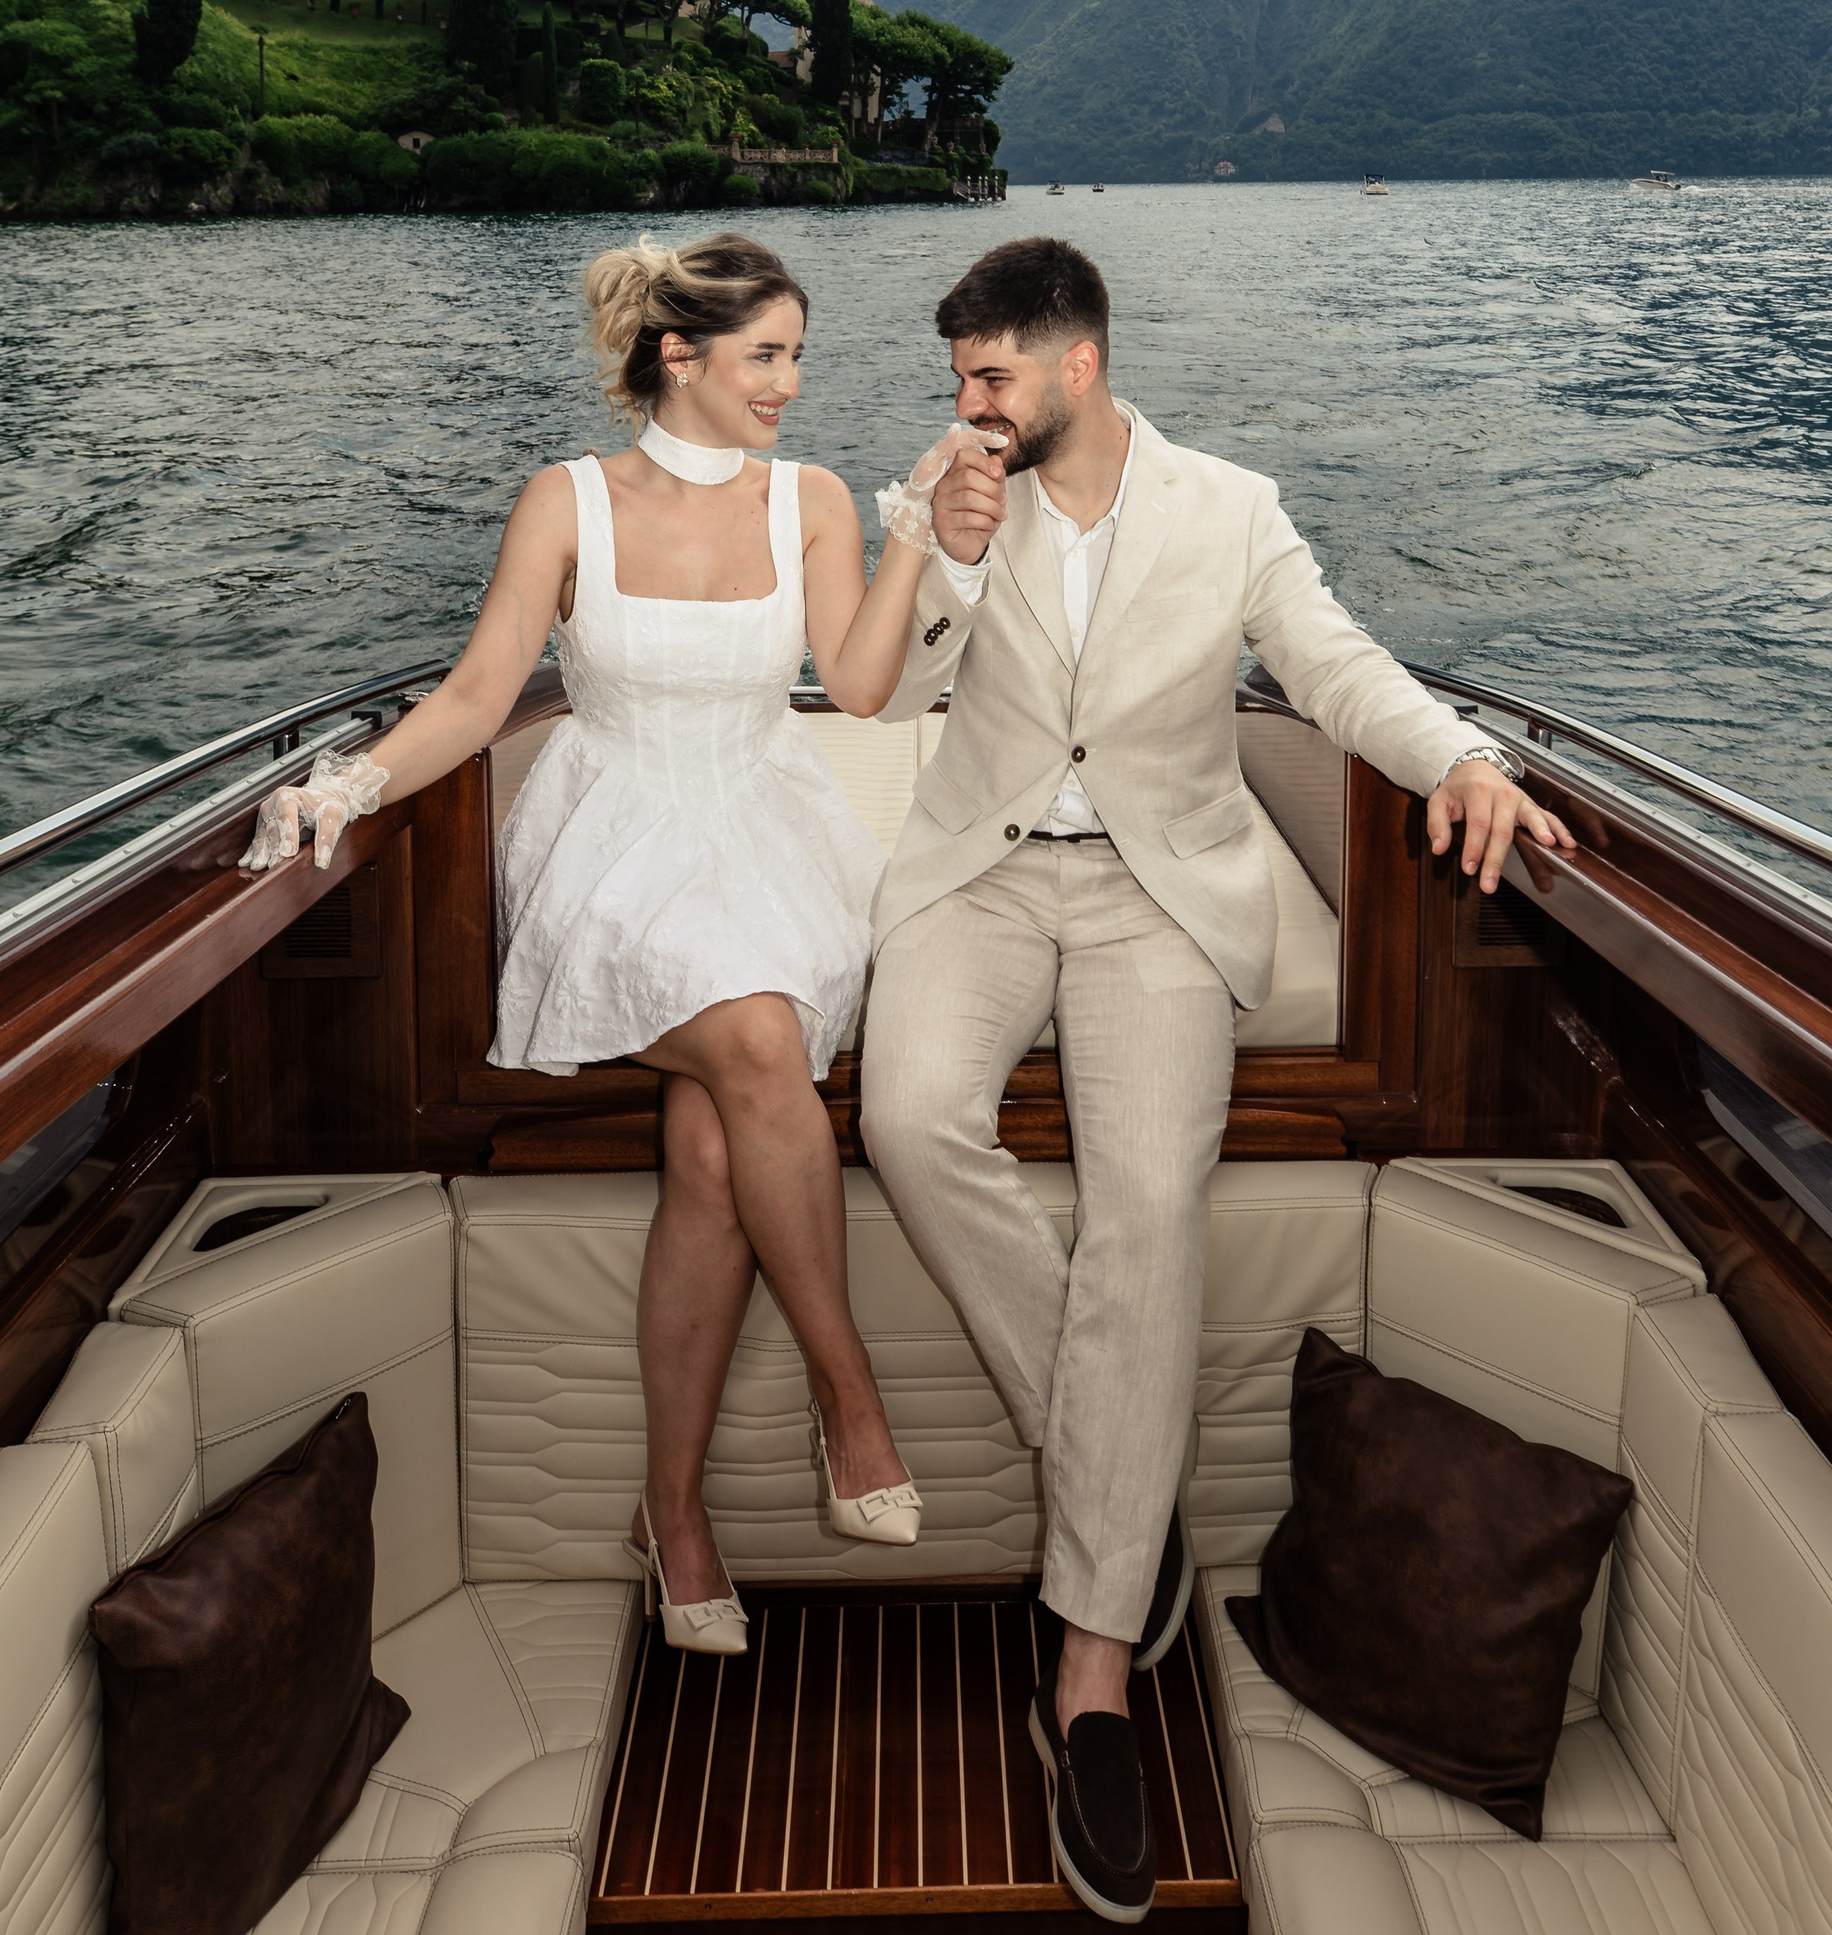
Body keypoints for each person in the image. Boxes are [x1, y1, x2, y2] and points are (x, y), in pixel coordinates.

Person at [859, 238, 1575, 1925]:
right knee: (905, 1118)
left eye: (991, 376)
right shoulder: (945, 494)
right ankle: (1122, 1495)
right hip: (979, 876)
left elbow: (1333, 666)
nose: (967, 405)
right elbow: (900, 684)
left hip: (1162, 891)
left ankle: (1093, 1674)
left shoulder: (1232, 509)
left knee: (1150, 1208)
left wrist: (1464, 756)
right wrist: (942, 546)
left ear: (1079, 365)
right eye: (957, 380)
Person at [239, 230, 973, 1659]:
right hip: (613, 842)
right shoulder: (564, 501)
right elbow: (478, 695)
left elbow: (862, 689)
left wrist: (912, 546)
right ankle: (851, 1399)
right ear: (678, 355)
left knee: (713, 1145)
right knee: (756, 1039)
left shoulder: (814, 500)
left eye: (798, 356)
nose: (791, 383)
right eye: (767, 356)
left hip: (769, 838)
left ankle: (670, 1515)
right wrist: (350, 785)